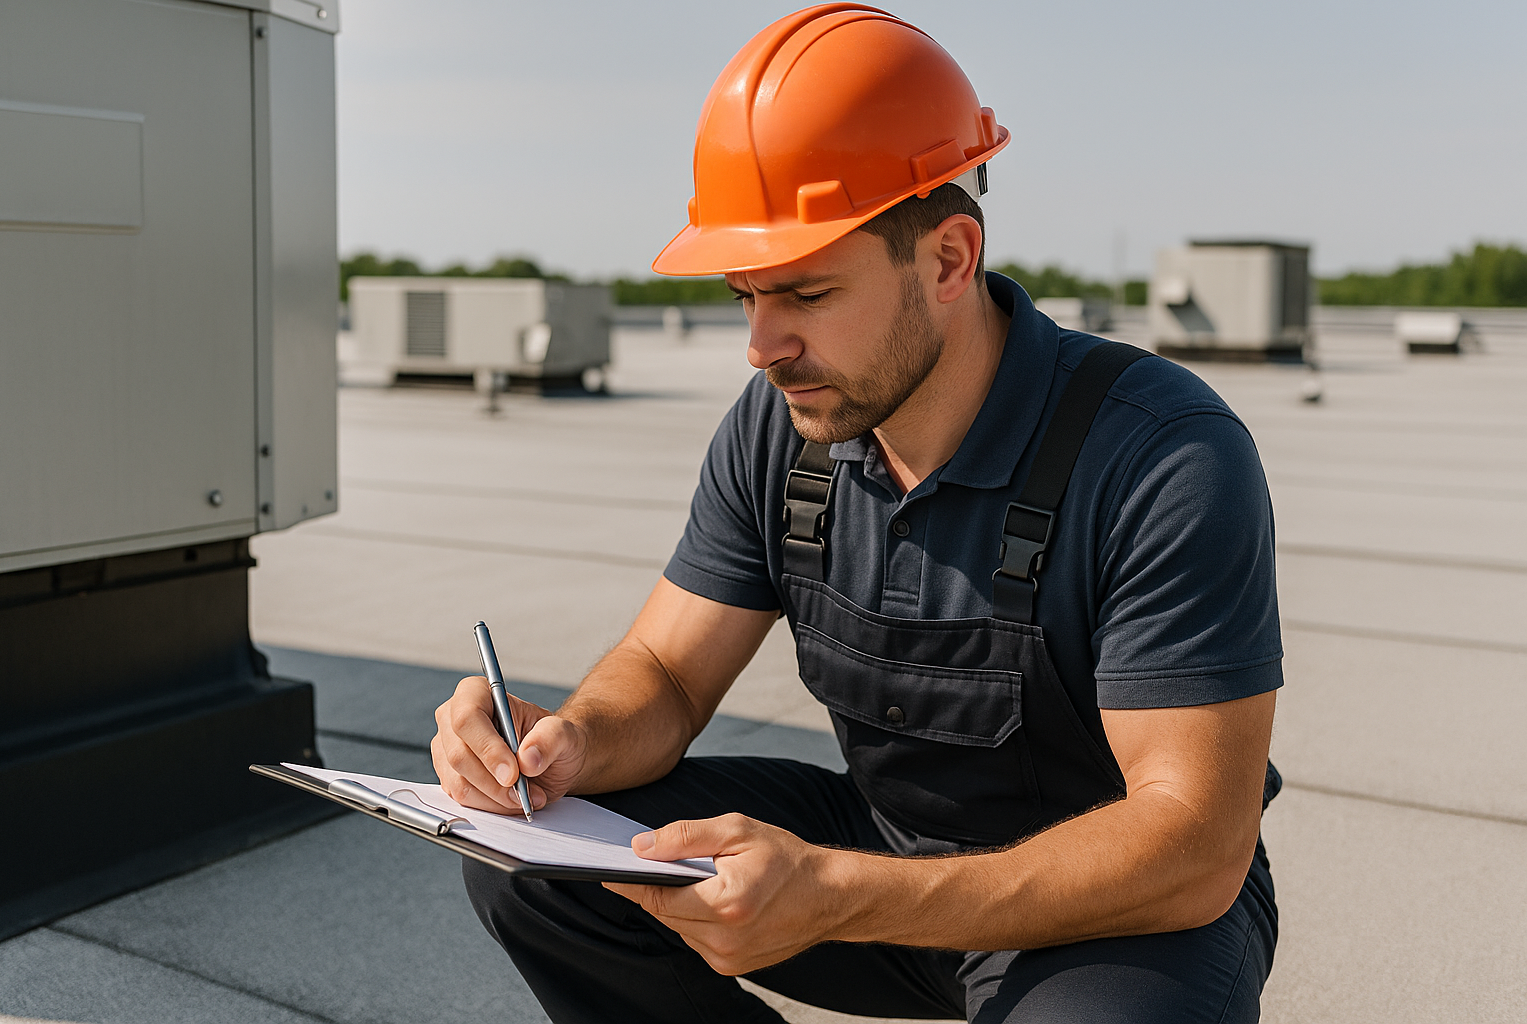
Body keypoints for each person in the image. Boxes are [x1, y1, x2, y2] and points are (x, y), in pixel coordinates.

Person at [431, 6, 1281, 1022]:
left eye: (805, 292)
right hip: (878, 853)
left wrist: (841, 895)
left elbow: (1191, 843)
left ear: (948, 261)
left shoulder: (1160, 453)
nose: (762, 345)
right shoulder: (784, 426)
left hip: (1114, 913)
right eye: (746, 295)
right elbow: (663, 671)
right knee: (539, 862)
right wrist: (566, 741)